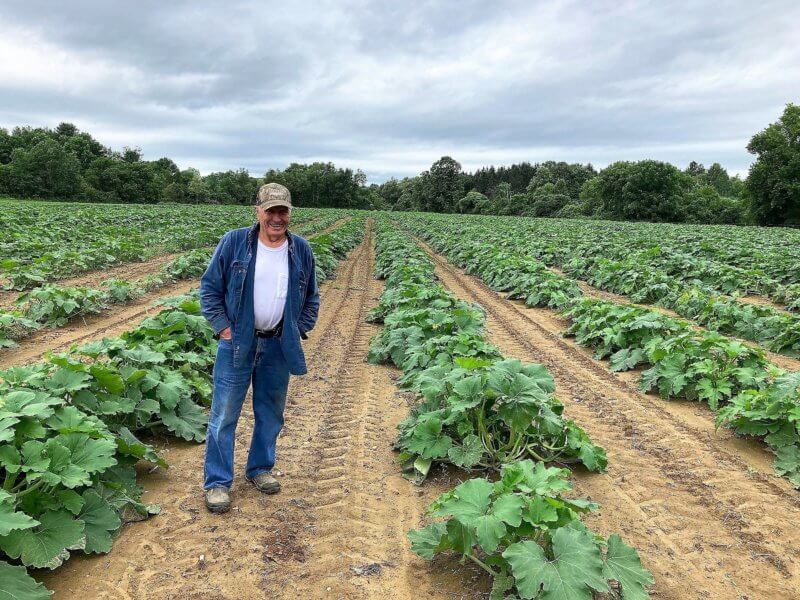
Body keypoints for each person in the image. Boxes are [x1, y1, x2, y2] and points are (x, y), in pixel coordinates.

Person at [199, 182, 319, 513]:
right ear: (258, 211)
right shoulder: (235, 242)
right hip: (237, 343)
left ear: (290, 213)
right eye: (271, 211)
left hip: (278, 344)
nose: (277, 218)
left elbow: (312, 296)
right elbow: (210, 288)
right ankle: (218, 482)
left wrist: (299, 327)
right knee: (224, 414)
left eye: (283, 211)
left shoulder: (301, 249)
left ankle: (259, 469)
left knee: (270, 413)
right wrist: (224, 328)